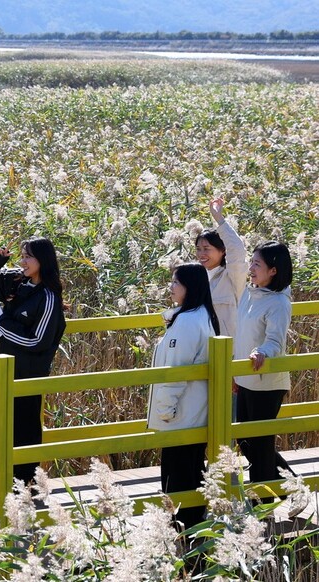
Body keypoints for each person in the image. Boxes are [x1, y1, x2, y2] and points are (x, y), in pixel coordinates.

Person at [0, 237, 66, 484]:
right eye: (22, 256)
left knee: (25, 429)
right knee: (4, 428)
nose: (23, 261)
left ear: (43, 261)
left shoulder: (48, 297)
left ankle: (27, 484)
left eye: (28, 257)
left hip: (28, 375)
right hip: (5, 372)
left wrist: (4, 324)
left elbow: (38, 341)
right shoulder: (18, 282)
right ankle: (5, 484)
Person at [147, 263, 220, 530]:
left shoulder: (188, 321)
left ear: (190, 287)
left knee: (177, 470)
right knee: (190, 465)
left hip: (182, 412)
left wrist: (166, 409)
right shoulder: (200, 315)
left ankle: (182, 526)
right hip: (193, 409)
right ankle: (193, 523)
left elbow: (176, 370)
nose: (171, 287)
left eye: (176, 282)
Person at [234, 241, 294, 501]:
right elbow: (240, 335)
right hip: (245, 378)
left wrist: (262, 352)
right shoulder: (249, 293)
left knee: (260, 443)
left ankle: (263, 503)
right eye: (252, 262)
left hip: (267, 383)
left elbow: (275, 341)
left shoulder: (279, 302)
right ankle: (292, 489)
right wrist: (235, 373)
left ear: (273, 270)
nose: (251, 268)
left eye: (257, 264)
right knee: (246, 441)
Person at [195, 197, 247, 337]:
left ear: (222, 250)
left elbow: (237, 250)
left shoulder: (232, 277)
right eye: (198, 249)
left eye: (206, 249)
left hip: (227, 347)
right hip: (201, 347)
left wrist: (219, 219)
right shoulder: (196, 279)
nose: (201, 254)